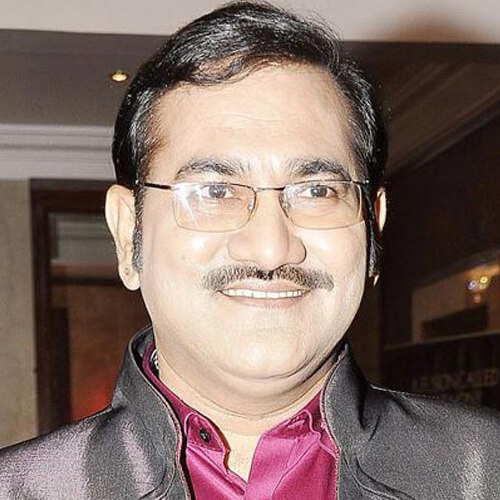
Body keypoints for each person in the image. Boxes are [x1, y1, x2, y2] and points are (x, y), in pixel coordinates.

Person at [1, 2, 500, 499]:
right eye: (215, 192)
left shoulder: (483, 472)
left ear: (373, 227)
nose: (270, 249)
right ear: (128, 233)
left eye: (317, 191)